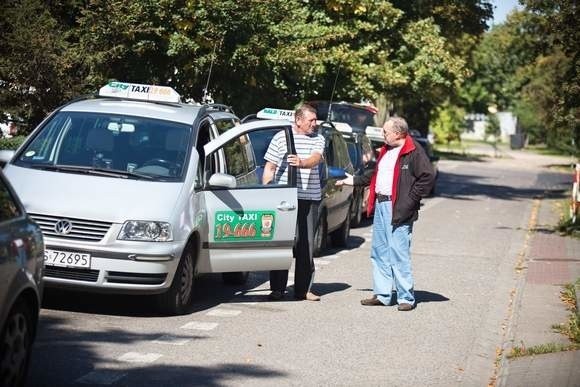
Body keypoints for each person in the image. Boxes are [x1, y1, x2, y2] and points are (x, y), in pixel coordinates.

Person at [336, 116, 435, 311]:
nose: (383, 135)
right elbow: (373, 176)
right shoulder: (386, 151)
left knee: (398, 253)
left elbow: (427, 177)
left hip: (398, 208)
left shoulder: (413, 151)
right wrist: (351, 181)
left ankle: (406, 297)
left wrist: (409, 200)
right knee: (380, 252)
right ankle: (382, 295)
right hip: (381, 206)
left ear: (397, 133)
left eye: (385, 132)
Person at [262, 104, 325, 301]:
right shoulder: (281, 137)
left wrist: (302, 163)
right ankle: (277, 288)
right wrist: (267, 192)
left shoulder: (318, 138)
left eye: (315, 120)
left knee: (305, 245)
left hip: (309, 198)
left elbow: (316, 158)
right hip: (283, 198)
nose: (315, 124)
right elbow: (270, 167)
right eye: (311, 120)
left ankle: (303, 289)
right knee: (282, 243)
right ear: (298, 120)